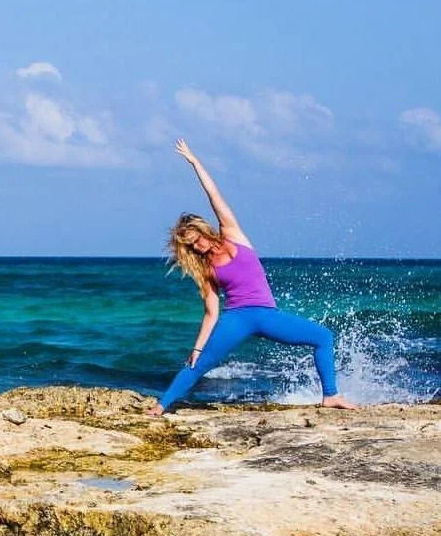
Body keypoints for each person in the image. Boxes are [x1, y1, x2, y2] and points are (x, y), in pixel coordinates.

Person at [146, 139, 356, 417]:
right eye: (192, 246)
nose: (198, 247)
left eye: (198, 240)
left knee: (322, 337)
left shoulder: (232, 233)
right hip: (237, 319)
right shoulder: (205, 269)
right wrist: (197, 347)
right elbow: (211, 312)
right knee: (198, 364)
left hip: (268, 315)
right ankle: (160, 406)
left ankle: (330, 396)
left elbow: (215, 197)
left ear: (203, 231)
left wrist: (195, 163)